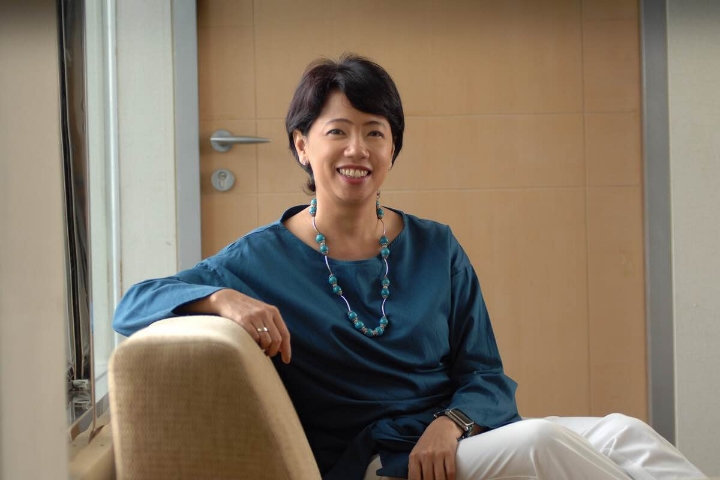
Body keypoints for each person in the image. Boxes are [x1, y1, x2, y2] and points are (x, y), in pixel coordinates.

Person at [113, 54, 706, 480]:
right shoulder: (260, 259)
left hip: (452, 439)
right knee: (543, 443)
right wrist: (221, 299)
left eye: (375, 132)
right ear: (302, 146)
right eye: (338, 131)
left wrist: (450, 424)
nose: (357, 149)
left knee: (626, 431)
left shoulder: (435, 246)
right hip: (381, 459)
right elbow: (131, 304)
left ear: (392, 147)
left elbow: (486, 375)